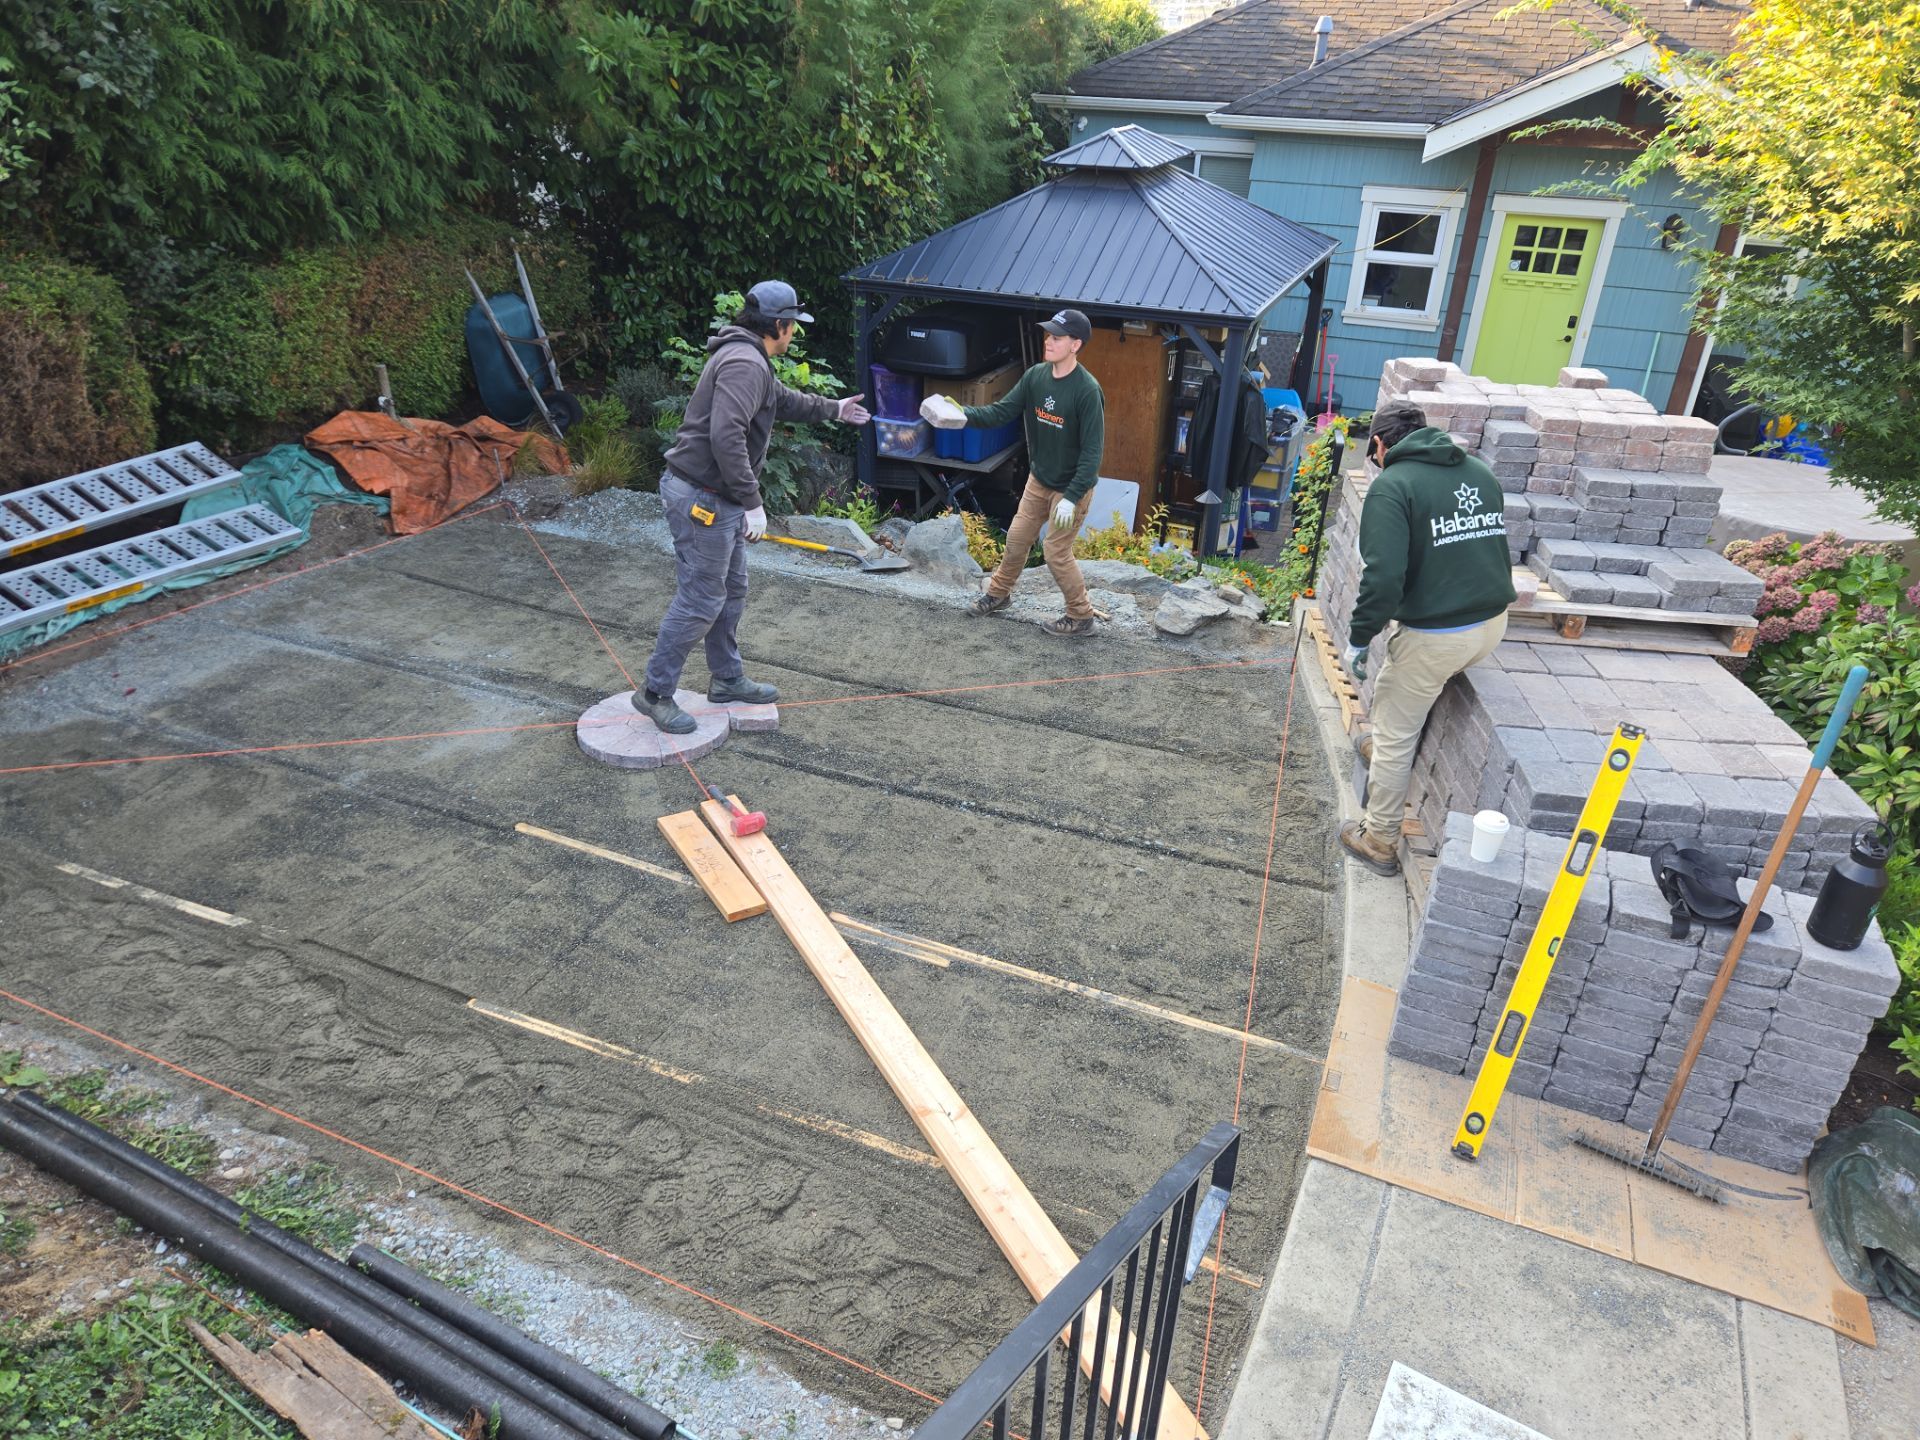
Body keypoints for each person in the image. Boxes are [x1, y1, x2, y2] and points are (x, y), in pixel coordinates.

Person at [640, 280, 871, 734]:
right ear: (780, 325)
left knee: (732, 589)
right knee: (701, 598)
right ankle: (654, 692)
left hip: (716, 495)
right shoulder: (745, 363)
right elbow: (726, 437)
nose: (794, 334)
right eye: (793, 327)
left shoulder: (749, 357)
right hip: (703, 498)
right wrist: (753, 502)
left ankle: (726, 679)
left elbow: (781, 399)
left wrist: (834, 408)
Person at [1338, 400, 1516, 876]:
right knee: (1405, 696)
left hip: (1441, 634)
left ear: (1378, 444)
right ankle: (1387, 743)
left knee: (1396, 727)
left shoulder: (1393, 487)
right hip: (1492, 624)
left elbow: (1383, 578)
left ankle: (1377, 839)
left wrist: (1360, 638)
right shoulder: (1478, 472)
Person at [922, 308, 1105, 637]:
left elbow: (1092, 454)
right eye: (1048, 335)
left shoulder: (1087, 391)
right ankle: (999, 594)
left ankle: (1081, 616)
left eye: (1057, 337)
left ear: (1075, 345)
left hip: (1069, 489)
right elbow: (1001, 412)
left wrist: (1072, 498)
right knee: (1017, 538)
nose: (1048, 341)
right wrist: (962, 413)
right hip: (1039, 481)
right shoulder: (1036, 376)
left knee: (1055, 551)